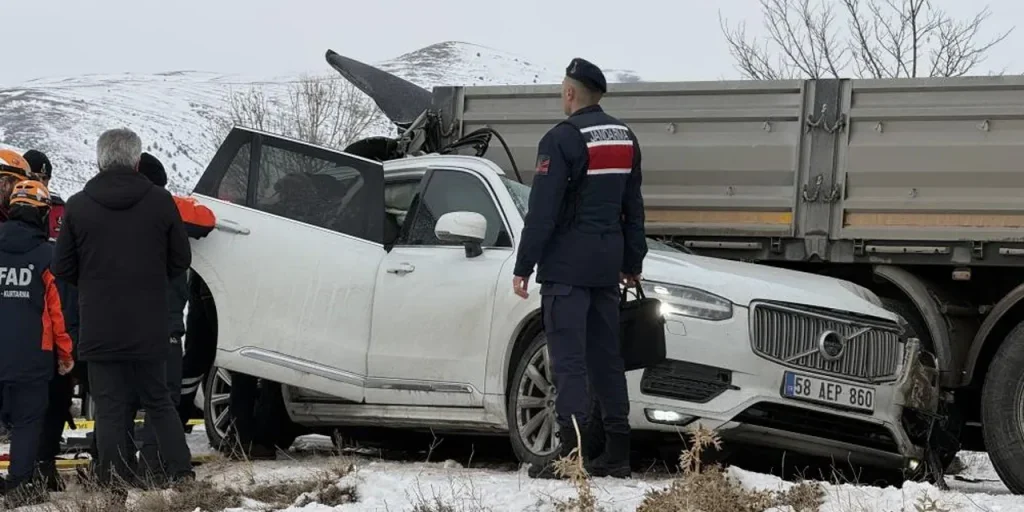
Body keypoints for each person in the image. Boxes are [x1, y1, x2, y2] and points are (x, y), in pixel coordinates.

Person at [512, 58, 647, 480]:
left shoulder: (562, 139)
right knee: (608, 359)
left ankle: (570, 454)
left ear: (570, 93)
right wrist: (632, 261)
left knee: (569, 360)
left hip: (567, 269)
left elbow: (543, 211)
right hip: (607, 269)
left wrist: (524, 263)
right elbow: (633, 208)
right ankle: (617, 452)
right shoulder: (625, 138)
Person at [52, 128, 194, 488]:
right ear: (136, 160)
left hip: (99, 324)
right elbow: (181, 260)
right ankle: (182, 474)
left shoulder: (79, 205)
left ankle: (113, 486)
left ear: (100, 160)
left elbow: (63, 268)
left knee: (111, 410)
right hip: (149, 323)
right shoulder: (161, 202)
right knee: (159, 403)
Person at [0, 180, 74, 506]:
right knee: (28, 422)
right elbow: (57, 314)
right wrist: (66, 355)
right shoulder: (48, 256)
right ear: (43, 214)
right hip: (33, 356)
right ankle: (19, 485)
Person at [22, 149, 79, 491]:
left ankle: (41, 465)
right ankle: (32, 467)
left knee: (53, 397)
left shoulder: (62, 210)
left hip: (52, 317)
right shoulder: (16, 212)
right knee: (38, 400)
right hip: (39, 316)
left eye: (41, 178)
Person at [131, 152, 189, 482]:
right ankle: (154, 469)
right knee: (163, 397)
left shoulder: (109, 215)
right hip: (164, 323)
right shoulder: (167, 212)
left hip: (118, 325)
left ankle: (110, 468)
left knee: (119, 402)